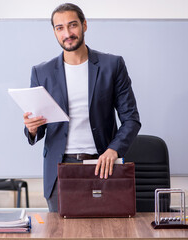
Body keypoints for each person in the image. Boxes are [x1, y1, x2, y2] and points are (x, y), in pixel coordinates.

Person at [23, 3, 141, 212]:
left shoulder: (112, 65)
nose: (67, 33)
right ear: (54, 32)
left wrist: (114, 150)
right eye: (60, 28)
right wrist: (32, 128)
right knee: (61, 233)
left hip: (103, 165)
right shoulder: (42, 72)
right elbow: (39, 128)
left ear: (84, 25)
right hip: (60, 171)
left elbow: (131, 119)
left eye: (72, 25)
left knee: (107, 231)